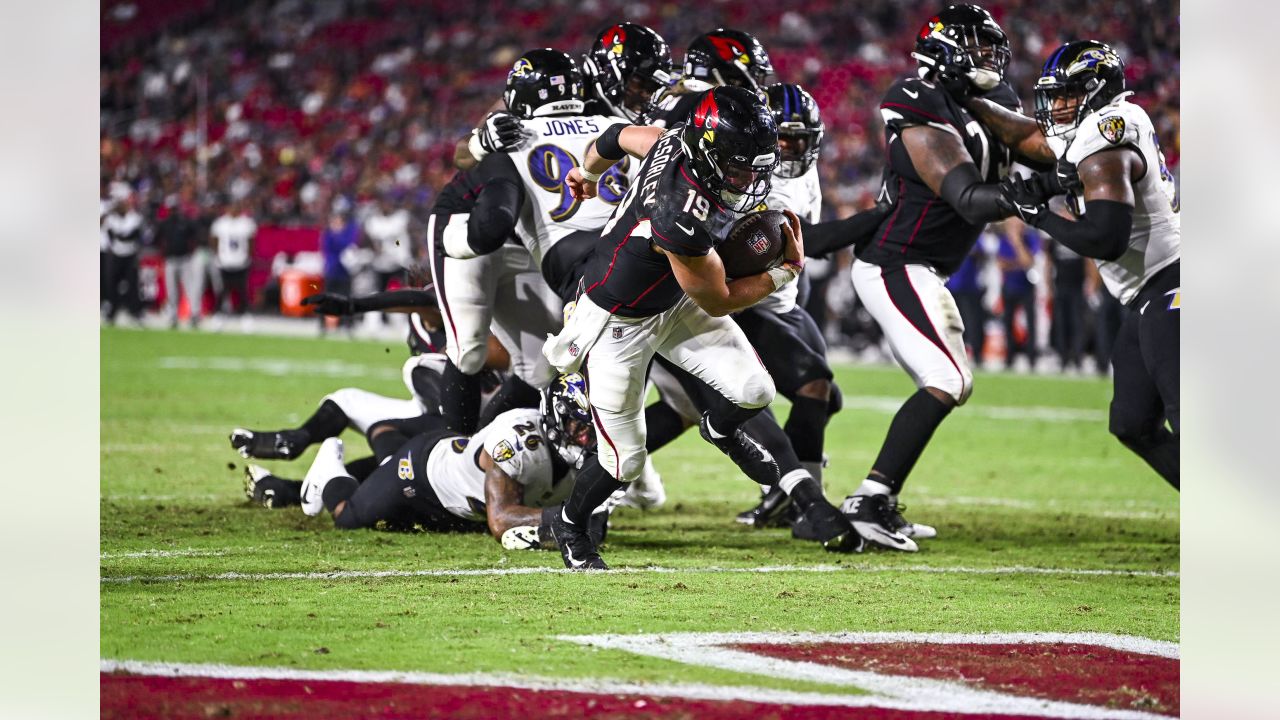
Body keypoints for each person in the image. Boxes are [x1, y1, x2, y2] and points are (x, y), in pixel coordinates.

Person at [544, 85, 857, 570]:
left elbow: (614, 136)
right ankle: (570, 523)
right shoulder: (678, 213)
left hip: (671, 298)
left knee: (755, 390)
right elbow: (718, 297)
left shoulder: (676, 138)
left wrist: (586, 173)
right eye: (738, 166)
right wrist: (783, 273)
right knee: (623, 461)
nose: (748, 177)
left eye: (756, 164)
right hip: (618, 322)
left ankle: (720, 427)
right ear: (709, 153)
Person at [835, 4, 1043, 551]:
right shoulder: (917, 100)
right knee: (949, 379)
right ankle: (869, 501)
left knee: (949, 380)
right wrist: (1031, 199)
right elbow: (968, 198)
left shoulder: (992, 101)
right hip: (894, 262)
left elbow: (1038, 150)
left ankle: (878, 497)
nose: (989, 57)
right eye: (977, 46)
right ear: (946, 50)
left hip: (925, 267)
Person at [976, 41, 1180, 489]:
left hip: (1173, 285)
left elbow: (1107, 240)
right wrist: (969, 101)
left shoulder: (1107, 134)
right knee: (1132, 423)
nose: (1057, 106)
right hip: (1147, 291)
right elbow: (1029, 138)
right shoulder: (1099, 130)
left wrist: (1040, 215)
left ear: (1097, 91)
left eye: (1067, 94)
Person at [292, 374, 605, 550]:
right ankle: (329, 467)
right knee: (347, 516)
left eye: (592, 427)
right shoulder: (519, 441)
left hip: (463, 508)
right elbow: (503, 521)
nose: (586, 438)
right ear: (556, 417)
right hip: (423, 474)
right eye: (579, 426)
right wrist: (567, 518)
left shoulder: (596, 445)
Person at [644, 28, 773, 129]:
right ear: (727, 73)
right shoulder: (706, 106)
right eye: (750, 76)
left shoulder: (672, 96)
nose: (755, 85)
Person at [994, 219, 1040, 371]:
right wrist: (1018, 263)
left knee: (1031, 324)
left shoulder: (1029, 238)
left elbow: (1028, 261)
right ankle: (1009, 358)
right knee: (1007, 323)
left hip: (1026, 287)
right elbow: (1001, 264)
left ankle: (1031, 358)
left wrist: (1017, 242)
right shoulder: (1002, 240)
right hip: (1009, 286)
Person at [157, 190, 207, 329]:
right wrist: (163, 254)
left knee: (190, 289)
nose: (173, 211)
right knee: (172, 290)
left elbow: (197, 235)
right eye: (171, 208)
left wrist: (191, 250)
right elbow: (158, 240)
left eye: (175, 208)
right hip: (170, 260)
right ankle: (173, 316)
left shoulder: (186, 222)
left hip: (185, 259)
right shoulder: (165, 223)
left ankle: (195, 315)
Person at [102, 192, 146, 325]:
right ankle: (112, 311)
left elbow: (134, 235)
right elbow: (111, 235)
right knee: (112, 283)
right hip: (116, 254)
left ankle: (135, 312)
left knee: (133, 284)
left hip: (130, 254)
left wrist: (121, 236)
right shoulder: (111, 219)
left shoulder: (135, 218)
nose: (122, 206)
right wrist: (121, 236)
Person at [210, 199, 256, 319]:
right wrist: (218, 255)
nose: (234, 209)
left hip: (241, 261)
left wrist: (248, 256)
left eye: (236, 207)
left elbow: (251, 242)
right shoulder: (220, 223)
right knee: (223, 289)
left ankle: (245, 313)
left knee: (242, 289)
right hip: (225, 261)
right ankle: (218, 313)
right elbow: (214, 240)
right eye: (231, 207)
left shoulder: (247, 223)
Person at [319, 211, 359, 333]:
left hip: (344, 272)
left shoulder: (347, 234)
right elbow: (326, 249)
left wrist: (338, 234)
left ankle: (347, 325)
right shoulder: (328, 234)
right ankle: (324, 324)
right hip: (332, 270)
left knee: (346, 298)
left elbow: (348, 246)